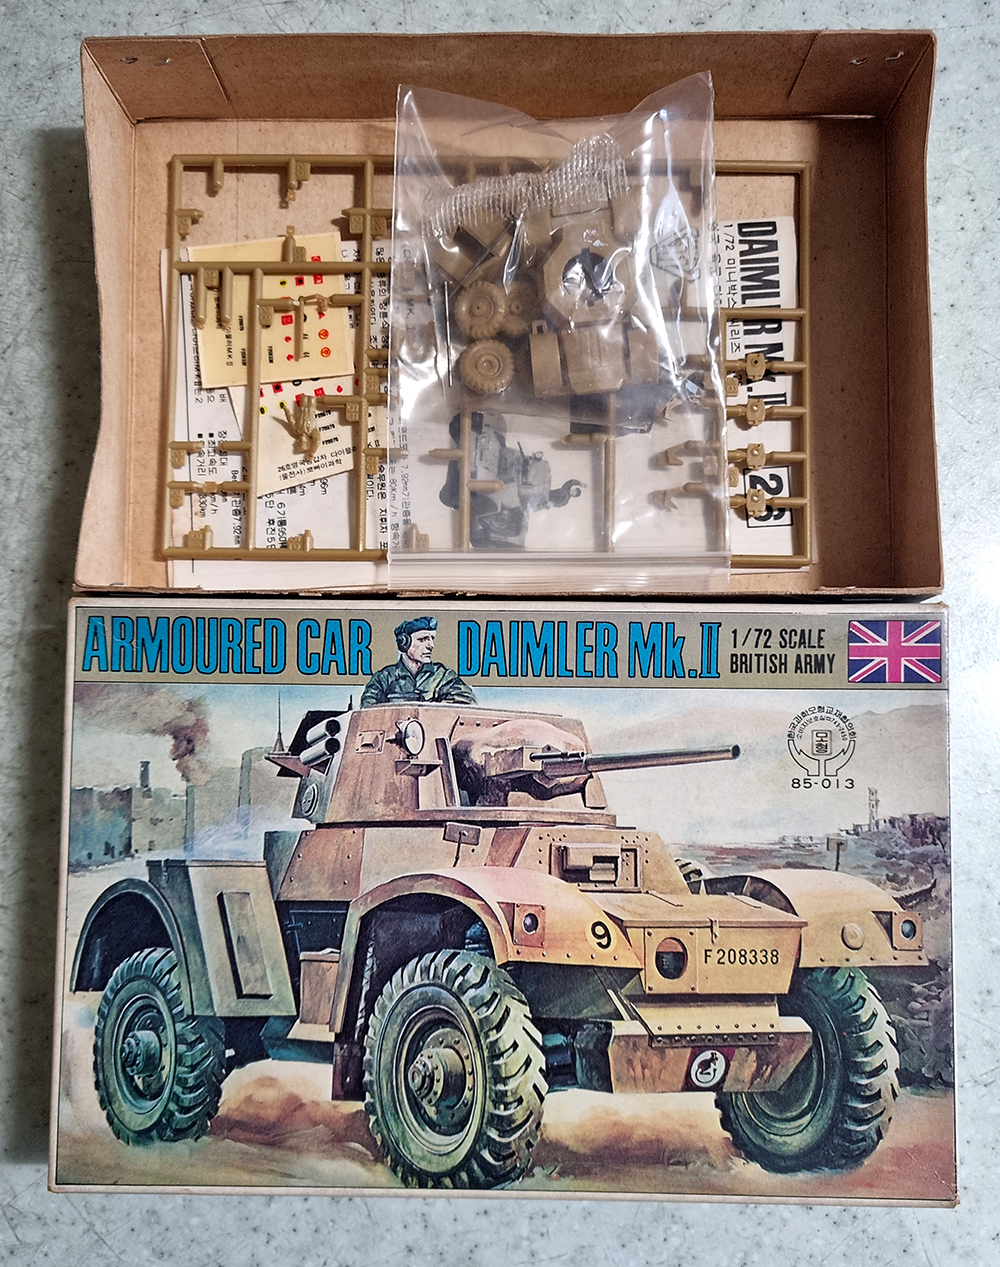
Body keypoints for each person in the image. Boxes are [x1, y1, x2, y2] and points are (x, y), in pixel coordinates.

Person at [360, 617, 477, 707]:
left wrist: (432, 710)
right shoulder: (383, 678)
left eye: (432, 639)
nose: (431, 645)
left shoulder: (444, 677)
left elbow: (468, 702)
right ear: (404, 643)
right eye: (423, 639)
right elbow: (368, 709)